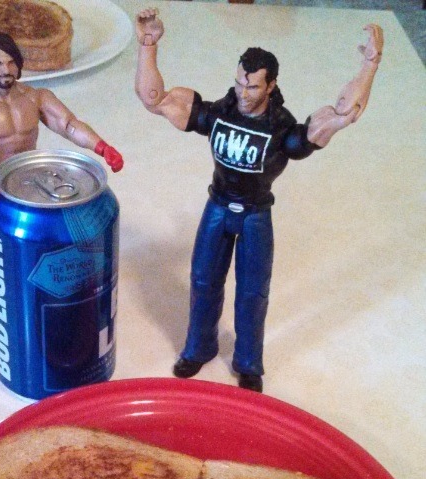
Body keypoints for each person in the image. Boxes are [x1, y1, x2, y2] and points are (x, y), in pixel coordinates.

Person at [135, 9, 383, 392]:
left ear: (270, 86)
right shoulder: (219, 113)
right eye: (238, 83)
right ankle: (198, 348)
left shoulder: (282, 129)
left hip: (255, 214)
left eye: (251, 87)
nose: (242, 93)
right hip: (218, 205)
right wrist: (148, 45)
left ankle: (248, 362)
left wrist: (369, 64)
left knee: (253, 292)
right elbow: (154, 99)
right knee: (202, 281)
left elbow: (343, 113)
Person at [0, 32, 124, 356]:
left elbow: (68, 124)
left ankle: (47, 322)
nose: (5, 69)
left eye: (11, 62)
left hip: (36, 189)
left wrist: (102, 147)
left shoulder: (36, 97)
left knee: (51, 258)